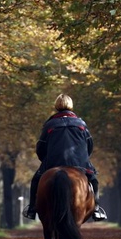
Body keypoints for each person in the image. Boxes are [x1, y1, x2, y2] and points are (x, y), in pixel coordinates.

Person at [22, 94, 107, 222]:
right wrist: (83, 159)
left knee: (36, 180)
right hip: (79, 163)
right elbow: (89, 146)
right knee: (94, 181)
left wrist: (45, 160)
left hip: (53, 163)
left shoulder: (49, 125)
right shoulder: (81, 124)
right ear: (71, 106)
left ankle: (32, 208)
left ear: (56, 106)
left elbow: (40, 147)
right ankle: (96, 209)